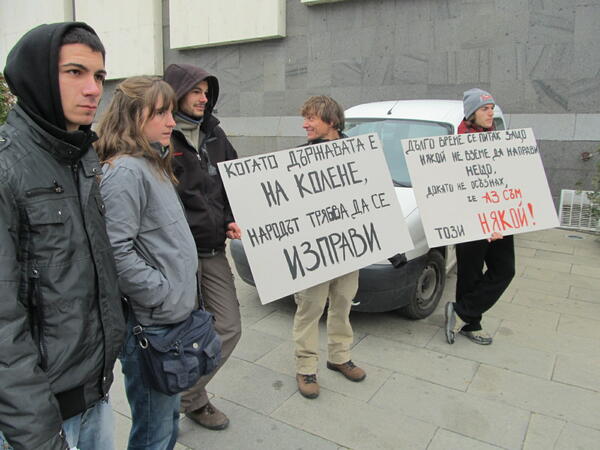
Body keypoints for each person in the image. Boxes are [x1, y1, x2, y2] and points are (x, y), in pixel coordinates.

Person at [0, 23, 126, 450]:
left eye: (99, 76)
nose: (93, 89)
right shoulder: (6, 168)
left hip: (96, 396)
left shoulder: (80, 154)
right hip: (40, 419)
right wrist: (37, 435)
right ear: (36, 76)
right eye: (75, 72)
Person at [95, 76, 199, 449]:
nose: (172, 121)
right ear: (132, 116)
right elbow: (115, 251)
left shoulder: (150, 160)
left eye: (171, 111)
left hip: (168, 321)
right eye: (160, 113)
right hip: (152, 326)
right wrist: (162, 292)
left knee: (167, 420)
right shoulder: (124, 171)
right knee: (154, 431)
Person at [163, 63, 242, 430]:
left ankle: (185, 397)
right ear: (177, 91)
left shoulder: (215, 134)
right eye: (196, 90)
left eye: (206, 92)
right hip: (177, 257)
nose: (203, 97)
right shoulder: (162, 136)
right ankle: (189, 401)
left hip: (212, 252)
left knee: (228, 327)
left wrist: (230, 216)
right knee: (181, 334)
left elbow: (234, 182)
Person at [293, 95, 366, 399]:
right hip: (314, 250)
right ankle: (306, 367)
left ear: (332, 121)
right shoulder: (296, 159)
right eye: (305, 117)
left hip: (348, 248)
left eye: (312, 118)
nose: (305, 124)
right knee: (310, 308)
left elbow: (370, 199)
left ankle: (339, 357)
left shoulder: (359, 155)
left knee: (343, 303)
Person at [444, 88, 516, 346]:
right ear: (471, 113)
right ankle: (471, 325)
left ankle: (462, 311)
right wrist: (481, 221)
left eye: (491, 107)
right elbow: (454, 189)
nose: (491, 112)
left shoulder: (498, 140)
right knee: (470, 273)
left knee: (505, 270)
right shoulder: (457, 145)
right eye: (485, 108)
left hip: (501, 218)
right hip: (471, 221)